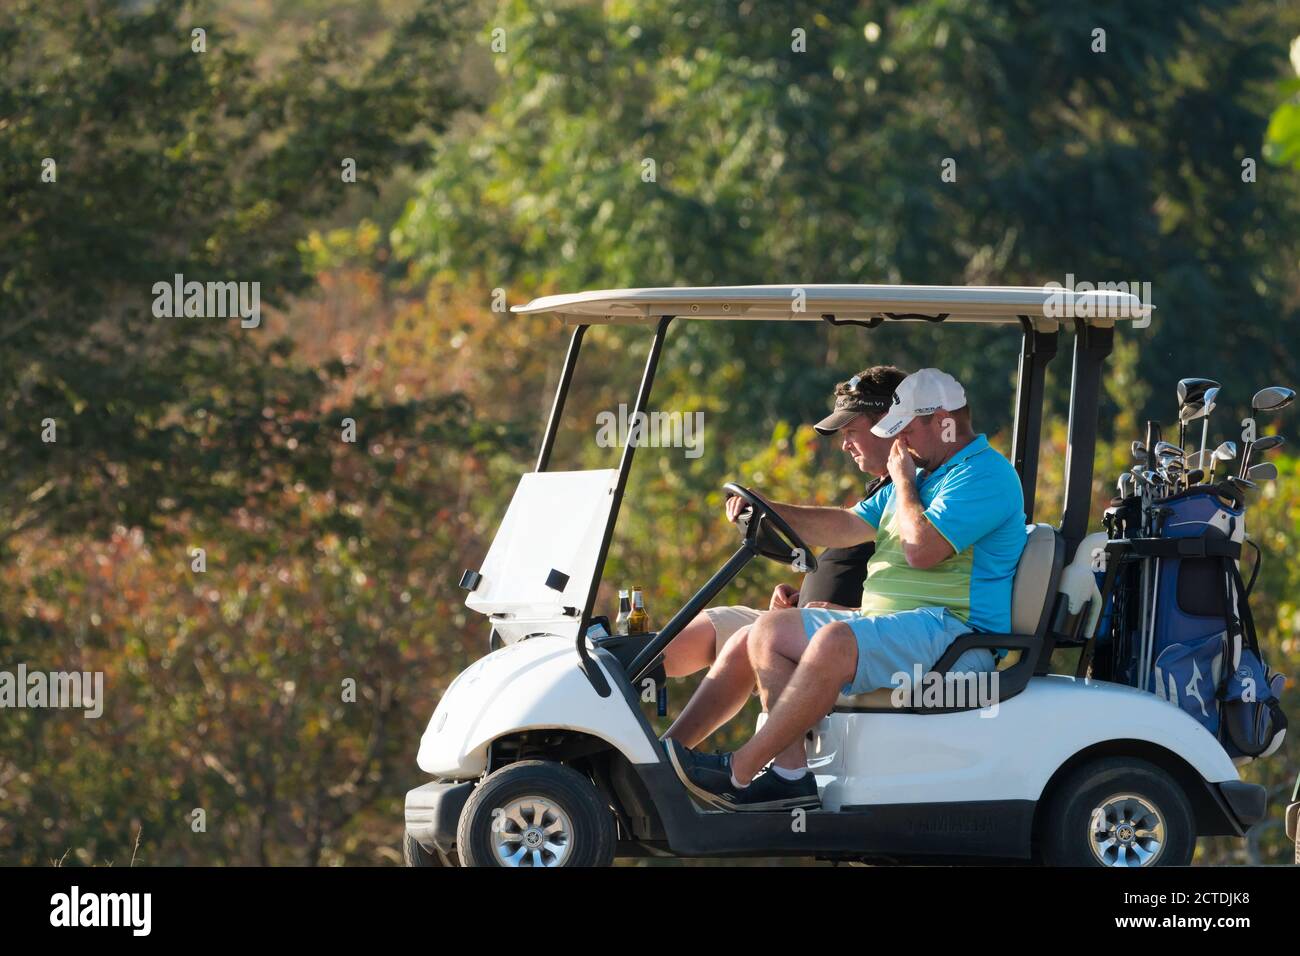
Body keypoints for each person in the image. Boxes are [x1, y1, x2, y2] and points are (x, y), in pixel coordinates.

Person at [665, 368, 1027, 811]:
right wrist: (766, 507)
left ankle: (740, 770)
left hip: (956, 633)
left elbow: (921, 551)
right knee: (766, 631)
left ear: (944, 420)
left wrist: (906, 484)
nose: (903, 444)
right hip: (899, 628)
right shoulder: (922, 472)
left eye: (909, 430)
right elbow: (845, 524)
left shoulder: (982, 475)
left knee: (834, 640)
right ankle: (759, 772)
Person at [658, 366, 908, 750]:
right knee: (699, 632)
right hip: (808, 618)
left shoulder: (912, 492)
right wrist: (800, 596)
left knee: (747, 637)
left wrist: (844, 611)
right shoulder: (879, 490)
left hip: (846, 630)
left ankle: (668, 756)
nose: (845, 445)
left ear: (888, 425)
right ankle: (631, 718)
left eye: (851, 431)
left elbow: (902, 582)